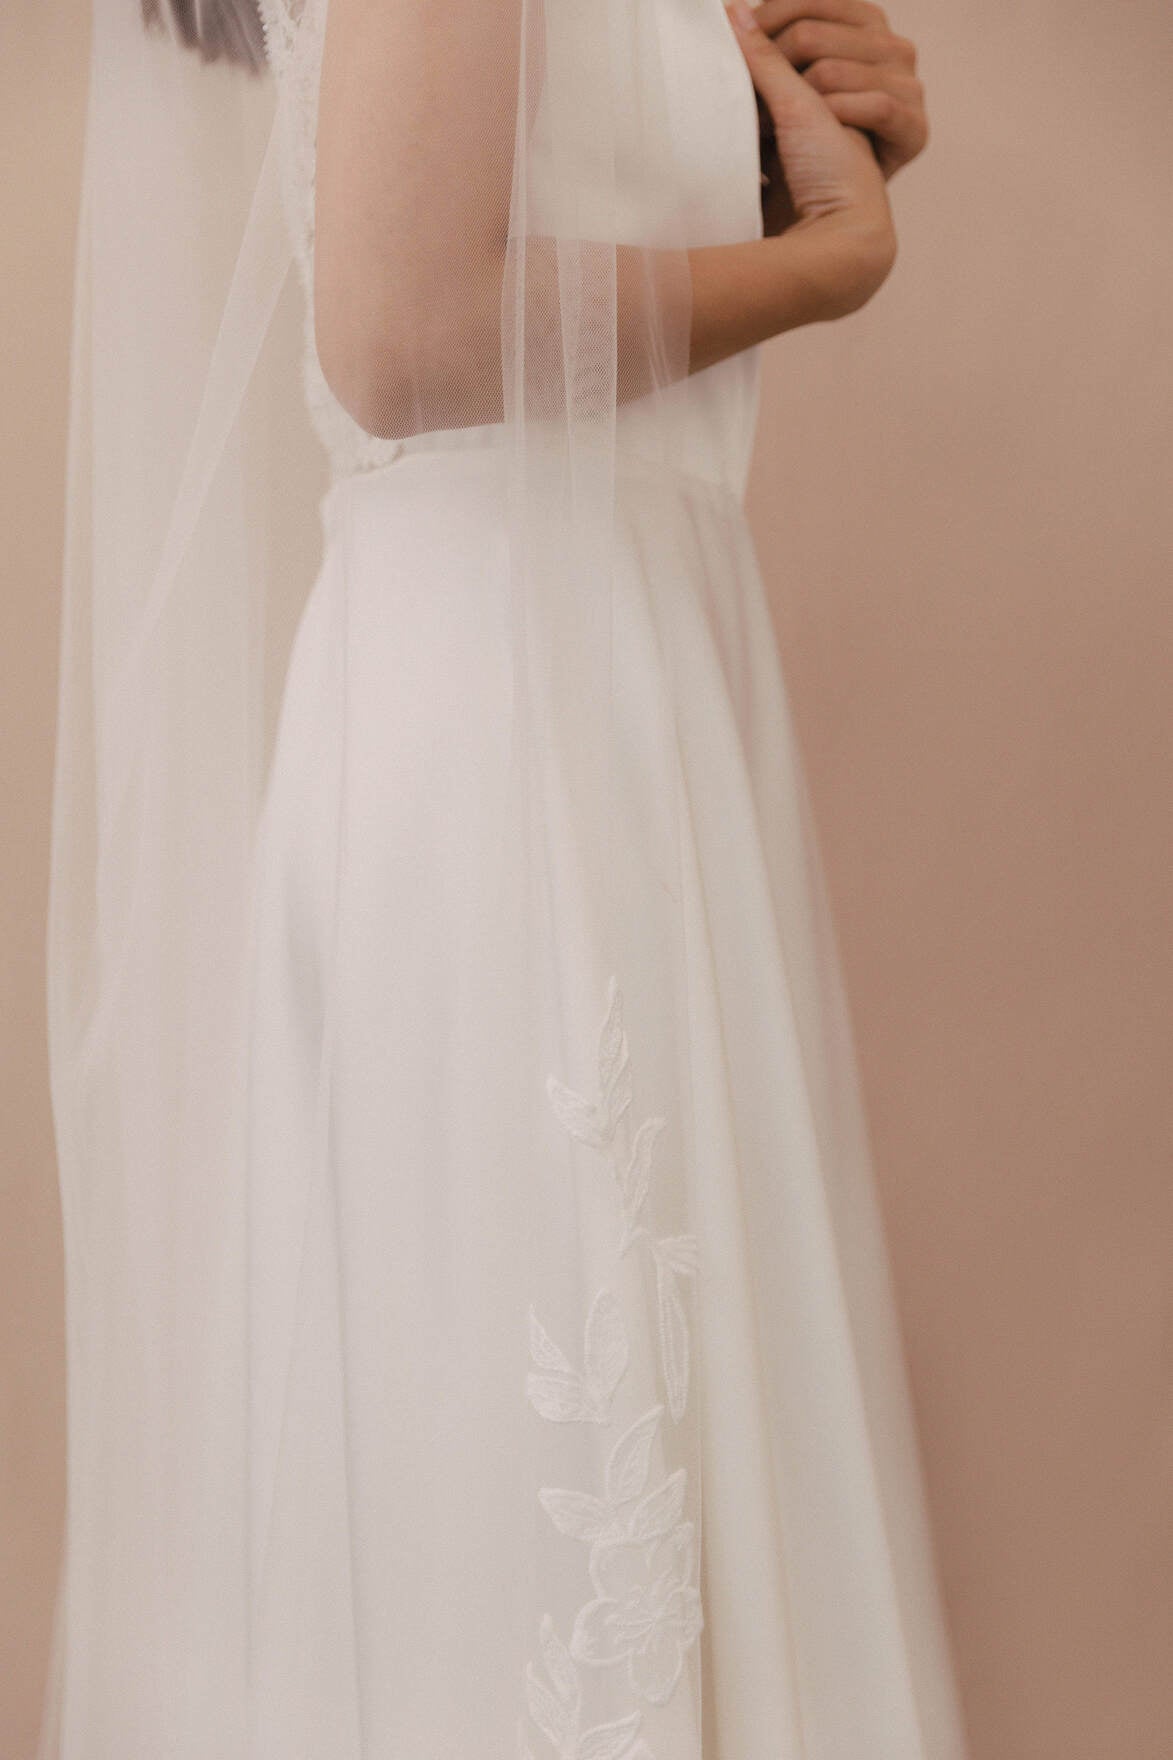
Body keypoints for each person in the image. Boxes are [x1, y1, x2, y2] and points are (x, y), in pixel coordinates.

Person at [42, 0, 968, 1755]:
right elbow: (408, 331)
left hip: (602, 668)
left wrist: (775, 142)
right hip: (517, 691)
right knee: (518, 1440)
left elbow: (521, 241)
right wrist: (829, 265)